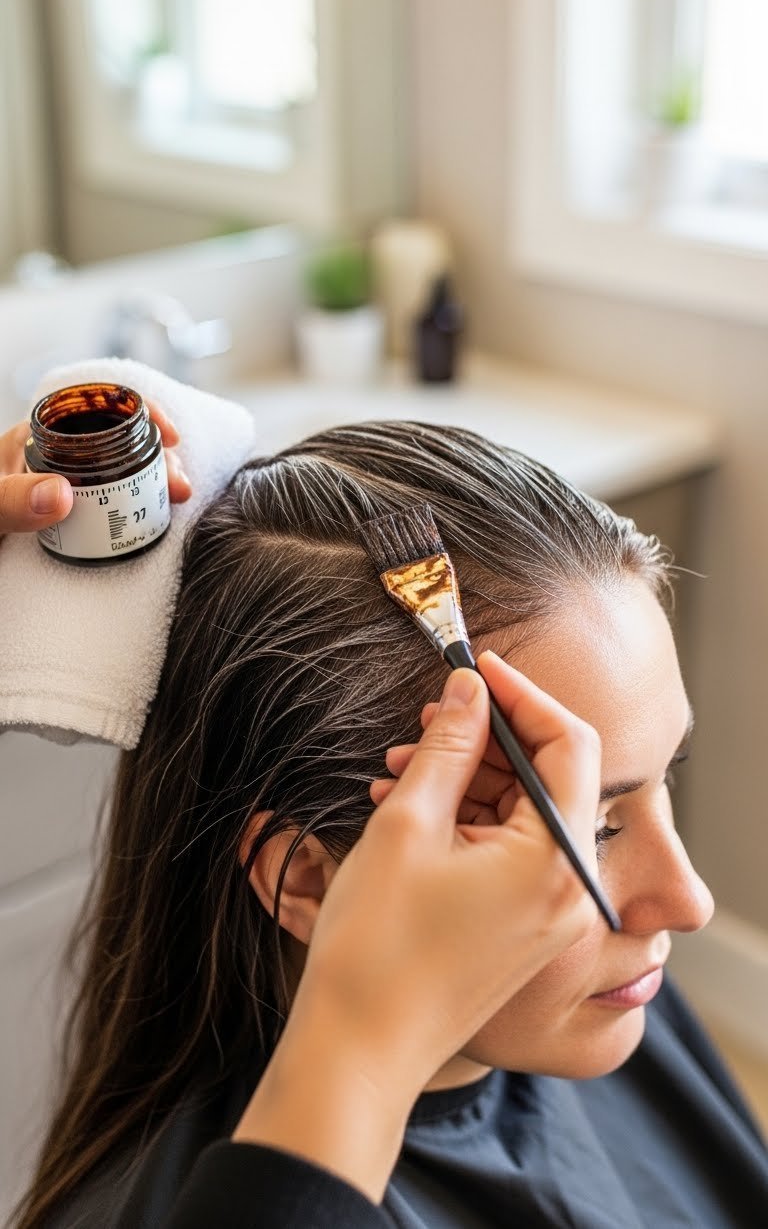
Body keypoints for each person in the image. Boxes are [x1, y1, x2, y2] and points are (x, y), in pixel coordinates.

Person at [3, 416, 767, 1229]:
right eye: (593, 830)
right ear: (308, 878)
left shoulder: (610, 997)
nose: (688, 902)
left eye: (665, 781)